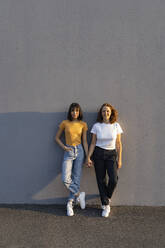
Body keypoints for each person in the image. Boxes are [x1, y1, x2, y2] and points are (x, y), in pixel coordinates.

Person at [87, 103, 123, 217]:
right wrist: (88, 156)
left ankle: (106, 197)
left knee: (113, 179)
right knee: (101, 179)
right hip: (98, 153)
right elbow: (93, 143)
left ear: (111, 112)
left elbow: (119, 144)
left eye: (107, 111)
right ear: (101, 113)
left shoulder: (116, 126)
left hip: (111, 154)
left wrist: (120, 159)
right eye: (103, 111)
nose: (105, 113)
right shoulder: (97, 126)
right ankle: (106, 205)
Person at [55, 103, 88, 216]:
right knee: (65, 179)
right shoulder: (65, 123)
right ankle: (79, 195)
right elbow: (56, 138)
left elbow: (84, 141)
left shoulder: (83, 124)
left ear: (79, 112)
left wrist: (88, 156)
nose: (75, 113)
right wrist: (64, 147)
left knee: (76, 178)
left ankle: (70, 203)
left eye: (77, 111)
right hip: (68, 151)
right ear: (70, 112)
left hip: (79, 151)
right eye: (73, 111)